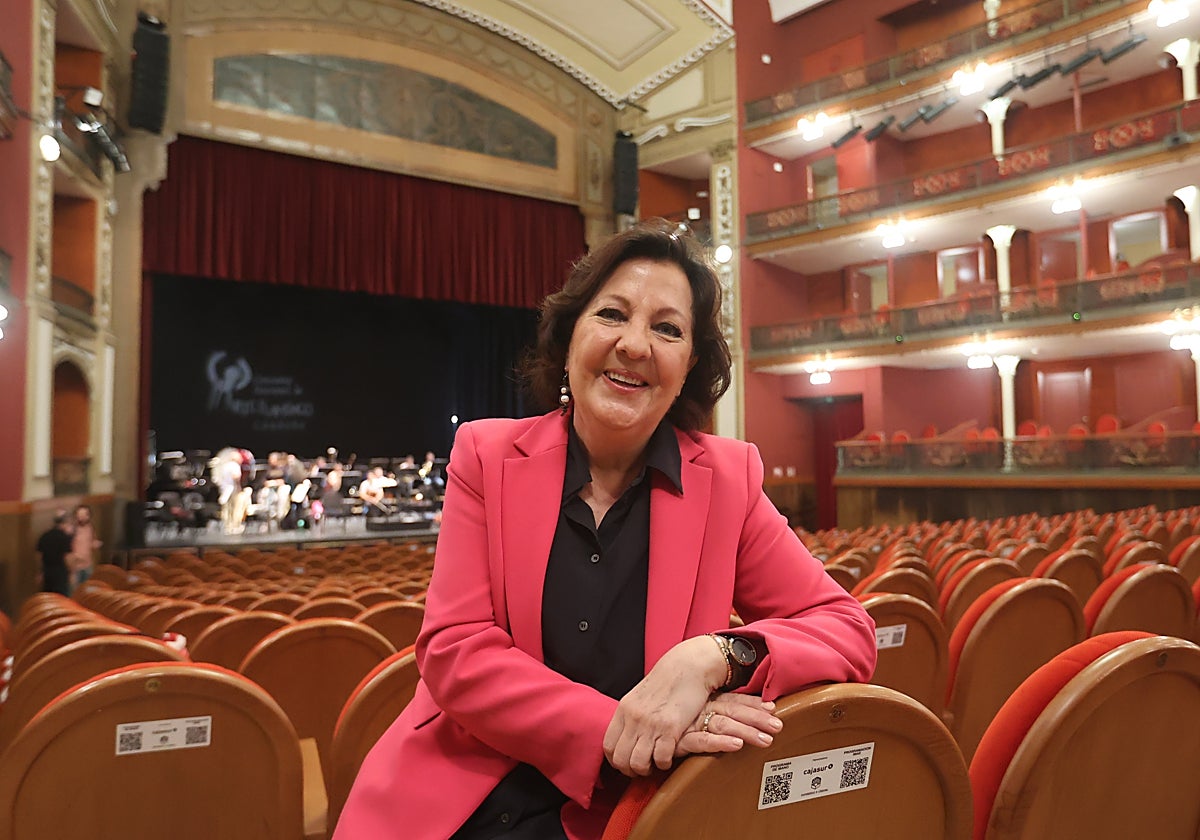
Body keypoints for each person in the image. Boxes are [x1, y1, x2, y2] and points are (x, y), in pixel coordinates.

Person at [335, 220, 877, 840]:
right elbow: (455, 649)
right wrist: (622, 727)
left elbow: (848, 629)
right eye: (613, 315)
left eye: (668, 329)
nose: (636, 345)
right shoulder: (485, 455)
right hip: (464, 794)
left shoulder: (728, 478)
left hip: (632, 810)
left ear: (689, 364)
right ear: (570, 338)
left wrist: (716, 656)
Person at [37, 510, 74, 596]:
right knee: (62, 600)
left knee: (48, 598)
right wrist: (71, 573)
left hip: (47, 572)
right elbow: (68, 558)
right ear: (64, 523)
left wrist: (40, 572)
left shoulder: (45, 535)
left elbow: (39, 556)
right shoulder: (65, 537)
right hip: (60, 574)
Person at [69, 504, 101, 592]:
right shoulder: (72, 530)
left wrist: (95, 544)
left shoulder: (90, 527)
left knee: (88, 591)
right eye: (80, 515)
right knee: (75, 592)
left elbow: (92, 541)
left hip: (88, 565)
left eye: (85, 515)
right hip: (75, 567)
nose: (82, 517)